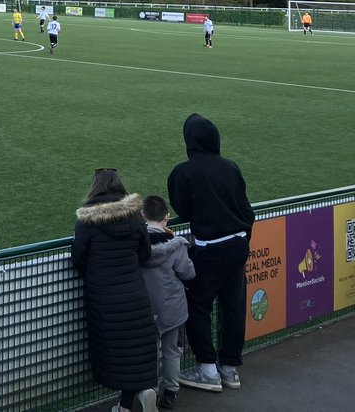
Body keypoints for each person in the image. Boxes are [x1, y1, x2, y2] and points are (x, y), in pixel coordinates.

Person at [167, 114, 254, 393]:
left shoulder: (184, 171)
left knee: (197, 305)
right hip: (239, 244)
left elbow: (184, 209)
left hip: (211, 248)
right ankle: (229, 369)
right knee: (234, 305)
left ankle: (208, 369)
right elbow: (246, 208)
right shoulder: (231, 167)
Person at [70, 169, 158, 412]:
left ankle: (128, 404)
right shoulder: (135, 216)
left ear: (95, 188)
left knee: (117, 352)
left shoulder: (87, 220)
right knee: (136, 350)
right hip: (134, 292)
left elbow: (78, 258)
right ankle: (134, 398)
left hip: (104, 296)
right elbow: (145, 253)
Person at [140, 195, 195, 410]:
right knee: (172, 351)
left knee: (149, 351)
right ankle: (170, 392)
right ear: (167, 217)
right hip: (171, 308)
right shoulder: (177, 245)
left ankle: (149, 391)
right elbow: (188, 273)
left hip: (146, 307)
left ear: (143, 215)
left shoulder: (135, 244)